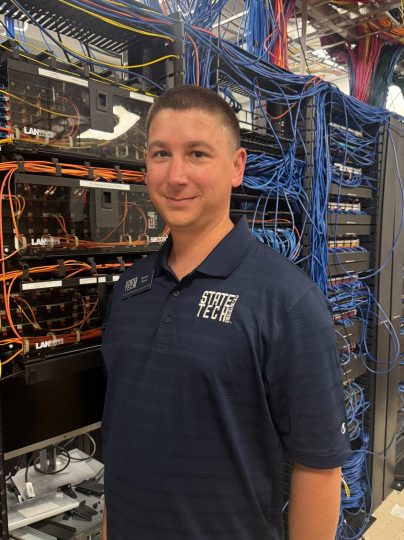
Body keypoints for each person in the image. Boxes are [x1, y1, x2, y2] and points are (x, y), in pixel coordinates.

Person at [101, 85, 351, 540]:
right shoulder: (129, 290)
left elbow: (319, 467)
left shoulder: (288, 301)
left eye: (197, 154)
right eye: (161, 154)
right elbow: (122, 445)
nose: (175, 176)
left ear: (237, 167)